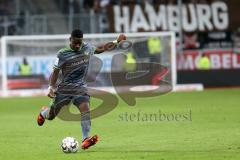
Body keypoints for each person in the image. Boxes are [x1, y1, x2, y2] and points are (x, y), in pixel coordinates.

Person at [37, 29, 126, 150]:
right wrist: (51, 87)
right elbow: (55, 71)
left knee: (85, 109)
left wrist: (116, 41)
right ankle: (43, 113)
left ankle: (85, 139)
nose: (78, 45)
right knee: (52, 115)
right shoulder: (62, 54)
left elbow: (100, 49)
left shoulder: (87, 48)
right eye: (75, 43)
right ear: (70, 40)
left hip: (80, 87)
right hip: (64, 89)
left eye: (80, 42)